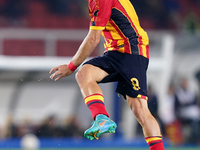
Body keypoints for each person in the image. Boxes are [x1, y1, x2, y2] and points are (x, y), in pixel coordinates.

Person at [49, 0, 165, 149]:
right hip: (115, 52)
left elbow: (93, 39)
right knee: (84, 74)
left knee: (140, 109)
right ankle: (101, 118)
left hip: (132, 50)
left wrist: (70, 67)